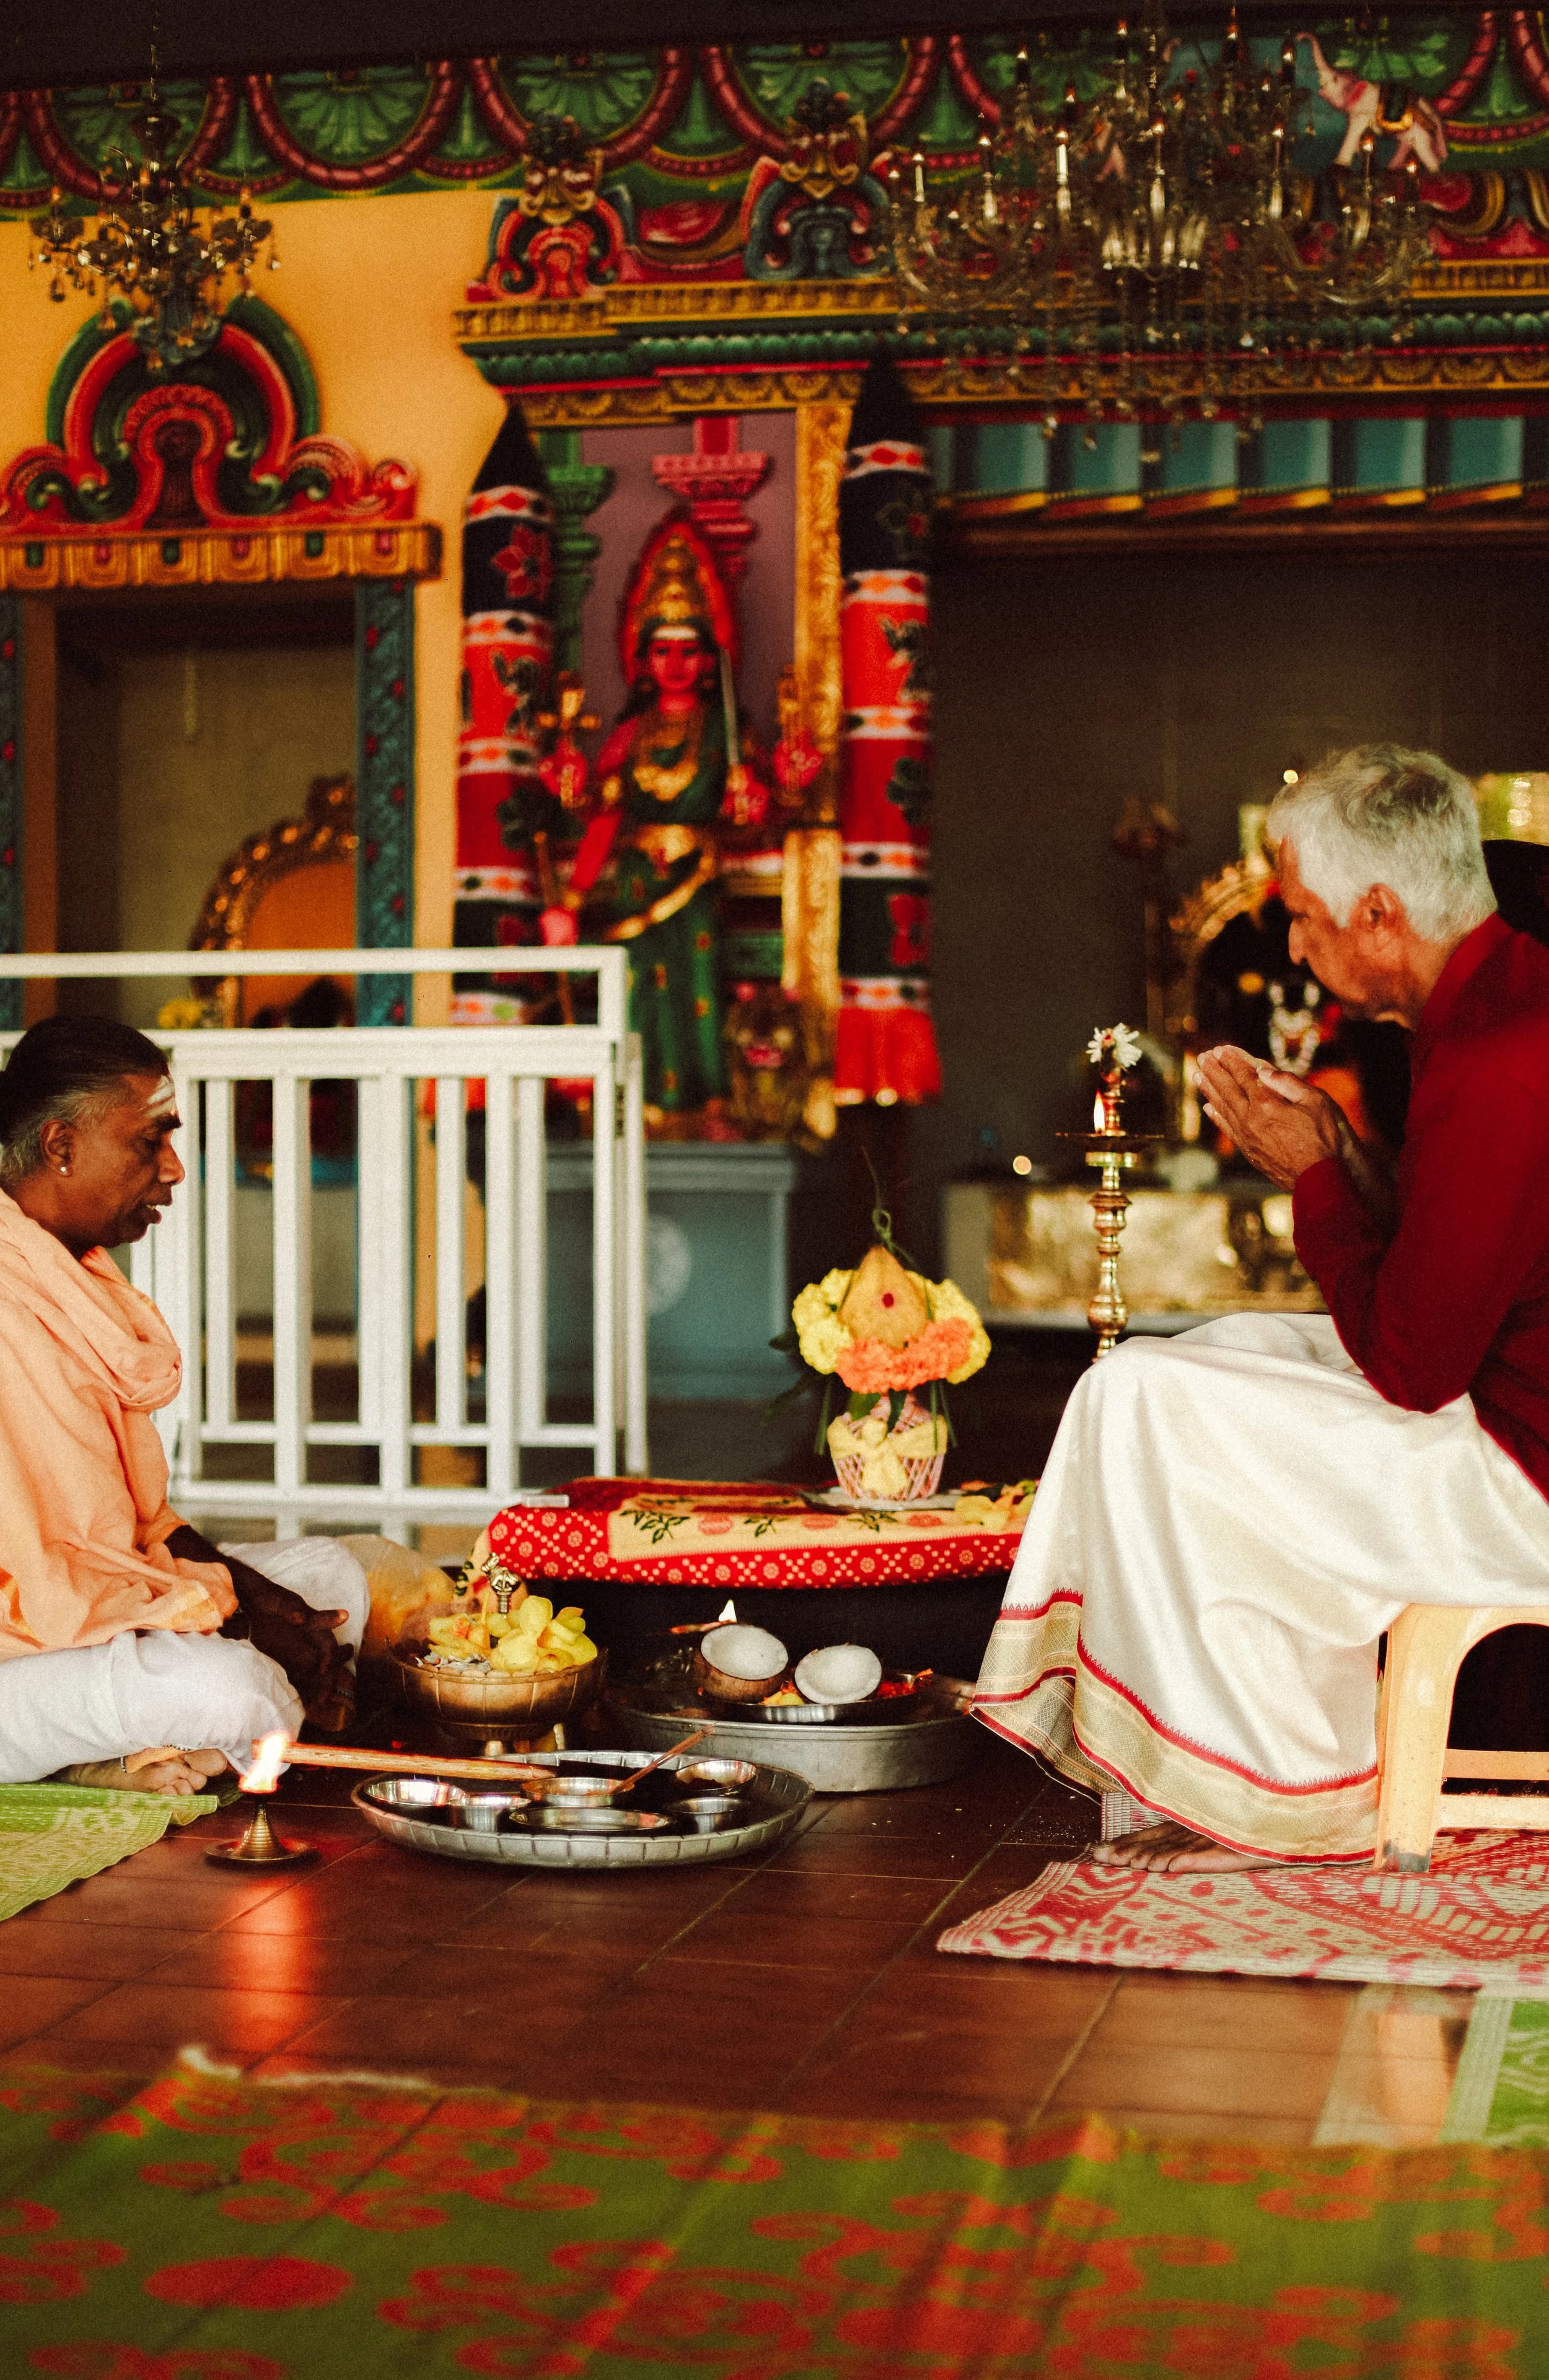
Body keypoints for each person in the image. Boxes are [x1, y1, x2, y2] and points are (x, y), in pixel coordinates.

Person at [973, 744, 1549, 1869]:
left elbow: (1418, 1366)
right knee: (1195, 1358)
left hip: (1522, 1471)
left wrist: (1317, 1176)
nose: (1292, 944)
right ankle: (1219, 1754)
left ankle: (1267, 1788)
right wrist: (1337, 1151)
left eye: (1303, 916)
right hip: (1505, 1395)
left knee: (1149, 1400)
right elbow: (1457, 1270)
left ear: (1379, 911)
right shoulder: (1501, 991)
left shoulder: (1498, 1055)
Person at [0, 1016, 369, 1796]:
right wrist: (226, 1615)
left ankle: (120, 1751)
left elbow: (117, 1524)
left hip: (71, 1613)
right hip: (18, 1650)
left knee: (337, 1581)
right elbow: (47, 1577)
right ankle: (103, 1755)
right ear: (62, 1146)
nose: (173, 1170)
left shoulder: (60, 1271)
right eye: (149, 1141)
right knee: (233, 1689)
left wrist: (240, 1588)